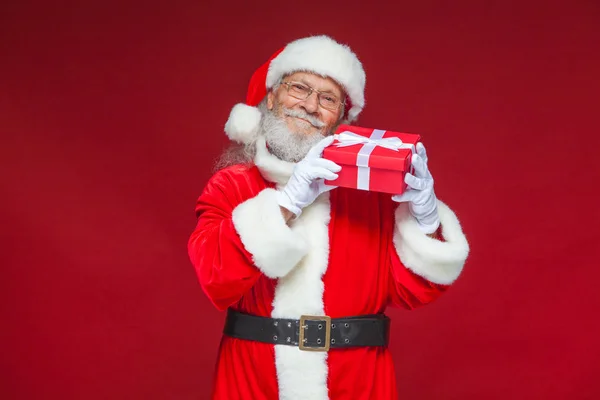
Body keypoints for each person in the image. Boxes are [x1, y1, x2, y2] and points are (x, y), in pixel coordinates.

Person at [187, 35, 470, 400]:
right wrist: (286, 204)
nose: (309, 105)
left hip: (357, 381)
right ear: (272, 96)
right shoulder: (232, 185)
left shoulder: (369, 195)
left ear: (339, 119)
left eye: (328, 98)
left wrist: (426, 221)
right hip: (254, 379)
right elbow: (215, 276)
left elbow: (411, 291)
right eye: (299, 88)